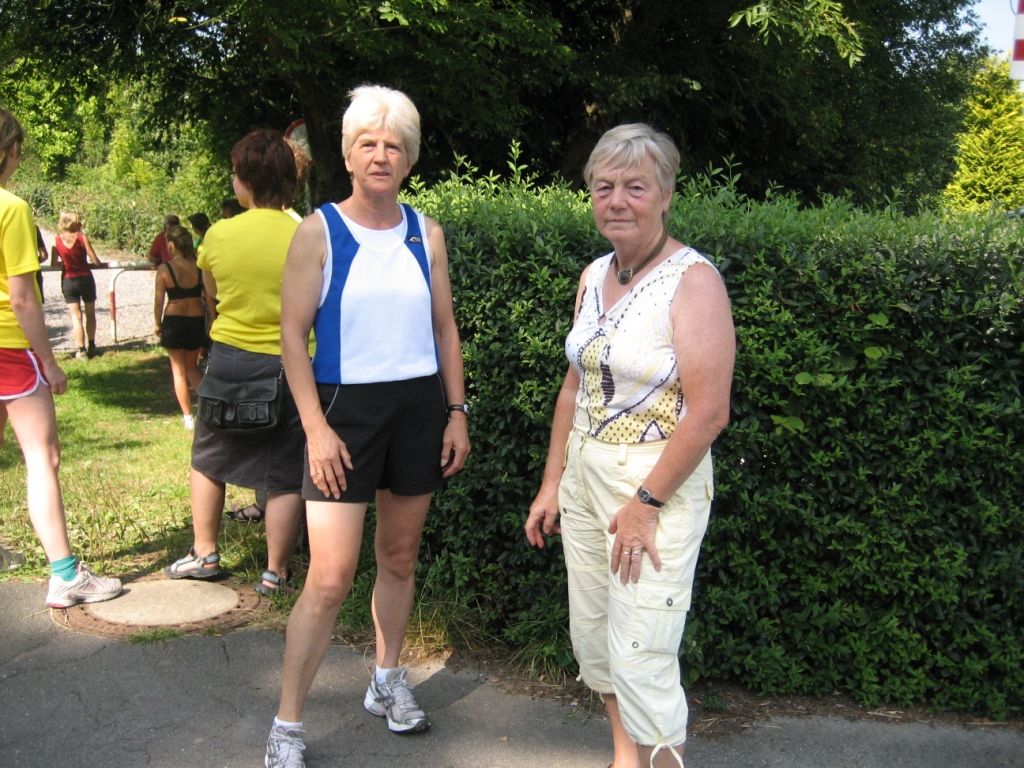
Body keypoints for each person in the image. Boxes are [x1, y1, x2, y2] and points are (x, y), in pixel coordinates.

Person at [265, 85, 470, 768]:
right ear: (348, 155)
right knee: (329, 577)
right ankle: (287, 725)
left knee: (400, 558)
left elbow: (444, 329)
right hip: (343, 414)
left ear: (409, 159)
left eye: (394, 145)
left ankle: (387, 679)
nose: (381, 155)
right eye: (368, 144)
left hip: (417, 410)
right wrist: (316, 430)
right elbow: (292, 338)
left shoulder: (425, 233)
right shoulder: (318, 231)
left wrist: (456, 413)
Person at [524, 124, 735, 768]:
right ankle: (625, 760)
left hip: (653, 486)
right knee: (597, 643)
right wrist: (552, 483)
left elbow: (708, 413)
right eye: (604, 186)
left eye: (635, 187)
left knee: (642, 652)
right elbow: (575, 387)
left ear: (665, 196)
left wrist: (645, 504)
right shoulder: (594, 275)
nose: (617, 200)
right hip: (585, 480)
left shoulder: (693, 282)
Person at [164, 129, 304, 601]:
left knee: (208, 457)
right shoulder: (306, 233)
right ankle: (276, 573)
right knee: (285, 471)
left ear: (245, 180)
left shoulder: (219, 235)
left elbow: (214, 296)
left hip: (228, 358)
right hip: (290, 364)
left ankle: (205, 553)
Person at [0, 107, 123, 608]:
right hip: (9, 347)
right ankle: (66, 575)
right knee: (42, 457)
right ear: (11, 150)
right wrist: (49, 362)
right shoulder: (11, 207)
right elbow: (22, 297)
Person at [153, 224, 206, 430]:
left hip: (174, 319)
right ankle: (207, 407)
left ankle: (187, 416)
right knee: (192, 367)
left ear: (171, 245)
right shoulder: (199, 266)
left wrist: (157, 323)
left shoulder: (165, 269)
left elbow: (159, 301)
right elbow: (208, 295)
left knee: (178, 371)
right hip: (196, 318)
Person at [51, 210, 103, 359]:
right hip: (85, 278)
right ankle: (92, 345)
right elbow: (95, 260)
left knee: (76, 317)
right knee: (90, 313)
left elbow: (54, 264)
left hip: (68, 280)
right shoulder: (82, 238)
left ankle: (81, 350)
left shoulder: (56, 240)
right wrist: (96, 262)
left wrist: (65, 262)